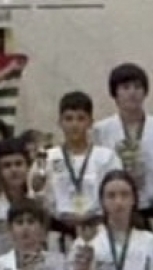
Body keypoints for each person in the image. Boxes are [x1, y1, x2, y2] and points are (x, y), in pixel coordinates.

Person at [92, 63, 153, 224]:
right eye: (125, 87)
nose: (132, 93)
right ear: (115, 93)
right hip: (115, 212)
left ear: (145, 92)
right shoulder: (101, 130)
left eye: (137, 87)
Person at [37, 91, 122, 227]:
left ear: (90, 122)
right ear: (60, 122)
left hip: (98, 226)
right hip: (58, 227)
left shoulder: (106, 157)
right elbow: (38, 195)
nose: (74, 124)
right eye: (68, 119)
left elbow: (116, 192)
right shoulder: (48, 158)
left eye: (81, 118)